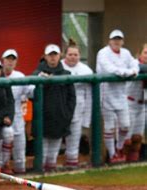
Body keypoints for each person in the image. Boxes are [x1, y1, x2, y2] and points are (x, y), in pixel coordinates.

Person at [96, 29, 139, 164]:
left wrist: (134, 70)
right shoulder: (103, 53)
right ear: (109, 41)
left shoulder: (125, 53)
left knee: (125, 125)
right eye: (114, 39)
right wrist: (127, 73)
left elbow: (135, 64)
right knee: (109, 127)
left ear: (122, 41)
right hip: (106, 92)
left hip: (121, 93)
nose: (116, 41)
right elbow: (110, 69)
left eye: (119, 39)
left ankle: (119, 147)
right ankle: (112, 154)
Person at [33, 44, 76, 172]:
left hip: (60, 118)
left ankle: (51, 173)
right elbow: (31, 95)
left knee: (53, 153)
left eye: (55, 55)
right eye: (50, 55)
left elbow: (71, 98)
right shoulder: (37, 73)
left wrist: (67, 115)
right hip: (43, 119)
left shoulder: (66, 74)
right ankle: (40, 173)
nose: (53, 58)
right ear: (45, 56)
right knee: (42, 151)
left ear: (59, 56)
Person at [61, 39, 93, 169]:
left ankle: (72, 162)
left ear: (79, 56)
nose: (73, 57)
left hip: (79, 106)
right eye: (70, 54)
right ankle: (50, 165)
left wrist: (87, 118)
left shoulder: (86, 70)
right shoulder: (60, 66)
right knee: (57, 137)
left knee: (74, 136)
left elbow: (90, 95)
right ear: (65, 55)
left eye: (76, 55)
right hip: (61, 106)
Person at [2, 49, 34, 174]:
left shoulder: (20, 76)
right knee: (0, 147)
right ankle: (1, 171)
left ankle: (21, 171)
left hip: (17, 116)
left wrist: (42, 82)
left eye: (13, 59)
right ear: (3, 60)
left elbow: (31, 91)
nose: (10, 62)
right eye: (8, 59)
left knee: (20, 148)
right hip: (1, 117)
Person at [124, 43, 147, 162]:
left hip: (142, 105)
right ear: (140, 53)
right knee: (126, 140)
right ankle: (120, 162)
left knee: (137, 137)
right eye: (146, 53)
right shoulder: (134, 63)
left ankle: (132, 163)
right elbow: (142, 68)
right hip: (129, 103)